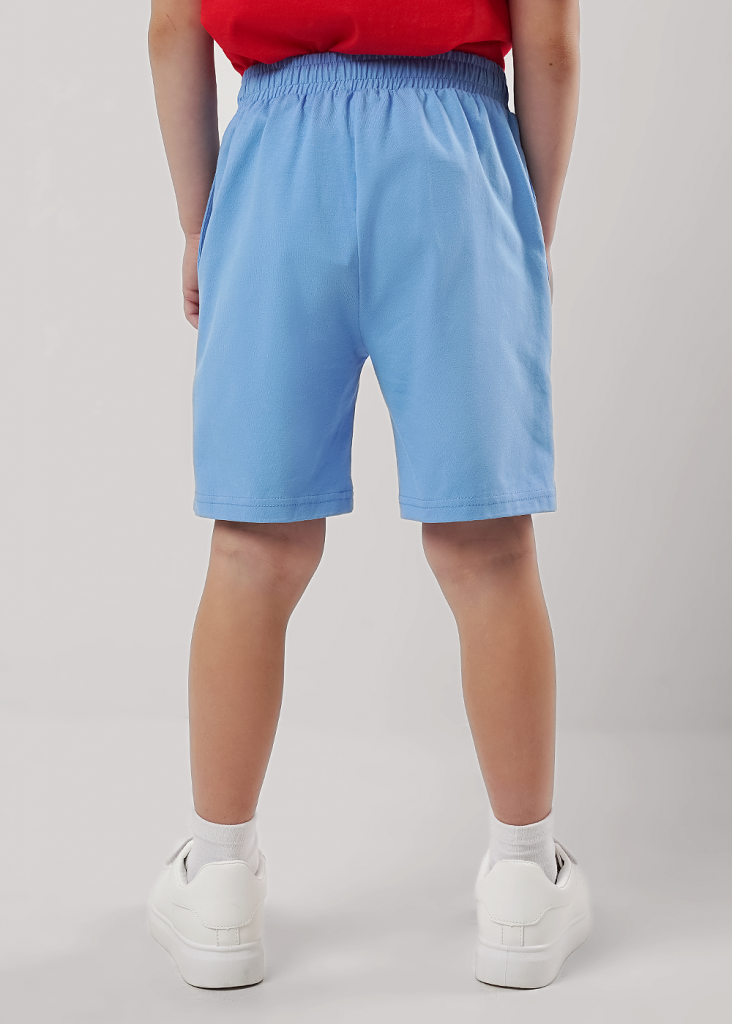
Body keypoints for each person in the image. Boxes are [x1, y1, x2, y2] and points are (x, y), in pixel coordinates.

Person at [147, 0, 589, 991]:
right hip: (454, 159)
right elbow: (552, 45)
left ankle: (219, 880)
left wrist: (198, 222)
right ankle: (525, 879)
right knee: (488, 549)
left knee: (254, 549)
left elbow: (173, 29)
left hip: (276, 157)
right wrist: (529, 228)